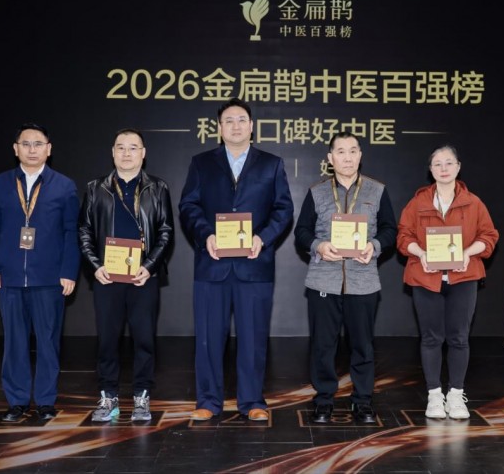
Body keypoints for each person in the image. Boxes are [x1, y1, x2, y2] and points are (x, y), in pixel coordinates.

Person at [178, 97, 293, 422]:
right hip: (212, 264)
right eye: (228, 120)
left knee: (253, 338)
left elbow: (283, 209)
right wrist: (205, 235)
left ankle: (253, 401)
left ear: (251, 126)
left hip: (254, 265)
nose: (235, 125)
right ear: (219, 128)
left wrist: (263, 238)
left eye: (241, 119)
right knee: (208, 339)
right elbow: (188, 206)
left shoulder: (271, 164)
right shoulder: (201, 163)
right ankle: (208, 401)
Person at [294, 132, 397, 424]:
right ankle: (324, 399)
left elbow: (390, 229)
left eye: (353, 151)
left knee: (362, 345)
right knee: (323, 345)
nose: (347, 157)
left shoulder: (377, 190)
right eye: (341, 152)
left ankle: (362, 400)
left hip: (363, 280)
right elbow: (301, 232)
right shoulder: (317, 191)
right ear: (330, 158)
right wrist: (319, 246)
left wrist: (374, 246)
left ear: (360, 156)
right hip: (323, 280)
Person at [0, 123, 80, 422]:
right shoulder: (0, 183)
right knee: (14, 343)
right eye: (26, 144)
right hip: (9, 278)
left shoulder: (64, 186)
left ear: (49, 149)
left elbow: (71, 232)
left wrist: (69, 271)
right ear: (16, 149)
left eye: (38, 144)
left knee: (48, 342)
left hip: (49, 279)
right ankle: (17, 401)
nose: (32, 149)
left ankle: (46, 401)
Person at [397, 145, 499, 420]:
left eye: (449, 163)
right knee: (431, 338)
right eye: (437, 164)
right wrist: (421, 253)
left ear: (458, 167)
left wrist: (468, 253)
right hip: (425, 277)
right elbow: (403, 237)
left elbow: (489, 236)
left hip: (463, 278)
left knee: (459, 338)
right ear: (430, 170)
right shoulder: (417, 202)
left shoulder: (473, 202)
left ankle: (455, 395)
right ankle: (434, 395)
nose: (443, 168)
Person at [78, 128, 173, 422]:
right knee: (107, 340)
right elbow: (84, 231)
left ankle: (142, 396)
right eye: (121, 147)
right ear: (112, 152)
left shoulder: (158, 187)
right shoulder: (95, 188)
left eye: (133, 148)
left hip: (143, 277)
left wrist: (150, 266)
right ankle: (108, 397)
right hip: (108, 276)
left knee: (144, 340)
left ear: (143, 153)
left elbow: (166, 232)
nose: (127, 153)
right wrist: (96, 265)